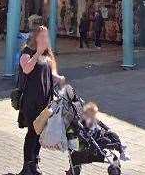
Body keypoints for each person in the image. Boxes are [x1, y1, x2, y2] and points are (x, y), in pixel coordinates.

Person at [17, 25, 63, 175]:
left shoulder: (48, 55)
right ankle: (26, 166)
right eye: (42, 36)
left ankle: (35, 163)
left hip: (45, 101)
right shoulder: (27, 52)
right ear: (35, 38)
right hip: (31, 100)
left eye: (46, 36)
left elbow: (52, 74)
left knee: (39, 133)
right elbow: (26, 69)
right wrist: (37, 53)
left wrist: (60, 79)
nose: (45, 39)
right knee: (32, 131)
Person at [67, 101, 128, 175]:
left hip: (95, 142)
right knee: (108, 141)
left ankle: (120, 150)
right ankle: (119, 150)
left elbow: (99, 124)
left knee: (112, 136)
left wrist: (106, 129)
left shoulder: (87, 121)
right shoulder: (82, 124)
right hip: (93, 145)